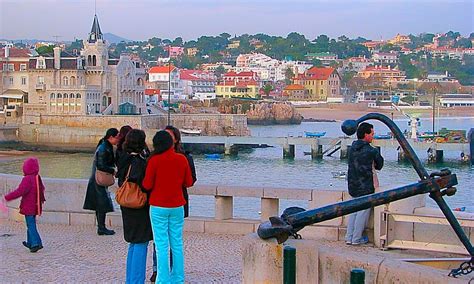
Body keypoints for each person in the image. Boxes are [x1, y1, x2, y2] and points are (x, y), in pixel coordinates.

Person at [143, 131, 193, 284]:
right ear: (171, 143)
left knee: (161, 244)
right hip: (177, 205)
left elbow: (147, 184)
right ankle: (178, 278)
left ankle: (163, 279)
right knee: (176, 243)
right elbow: (189, 182)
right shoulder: (182, 159)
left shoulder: (154, 161)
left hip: (158, 206)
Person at [116, 129, 153, 284]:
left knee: (133, 242)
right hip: (138, 205)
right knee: (141, 242)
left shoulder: (122, 158)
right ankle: (136, 280)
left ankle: (130, 279)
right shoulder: (138, 162)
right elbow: (144, 185)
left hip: (126, 204)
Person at [345, 122, 384, 245]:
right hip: (365, 185)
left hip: (352, 184)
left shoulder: (351, 149)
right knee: (362, 212)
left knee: (353, 211)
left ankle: (349, 237)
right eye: (372, 133)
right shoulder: (371, 151)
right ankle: (356, 238)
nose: (373, 136)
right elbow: (380, 165)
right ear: (366, 134)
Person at [2, 158, 45, 252]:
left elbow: (20, 191)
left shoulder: (27, 179)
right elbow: (42, 190)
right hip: (35, 206)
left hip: (28, 206)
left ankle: (35, 244)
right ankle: (31, 243)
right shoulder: (37, 178)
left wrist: (7, 197)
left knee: (30, 225)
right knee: (31, 224)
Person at [83, 128, 120, 236]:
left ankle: (101, 227)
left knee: (100, 204)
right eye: (117, 137)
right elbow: (101, 165)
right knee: (101, 204)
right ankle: (101, 227)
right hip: (98, 179)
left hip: (97, 179)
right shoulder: (104, 148)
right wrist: (112, 171)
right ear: (111, 137)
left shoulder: (104, 146)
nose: (118, 139)